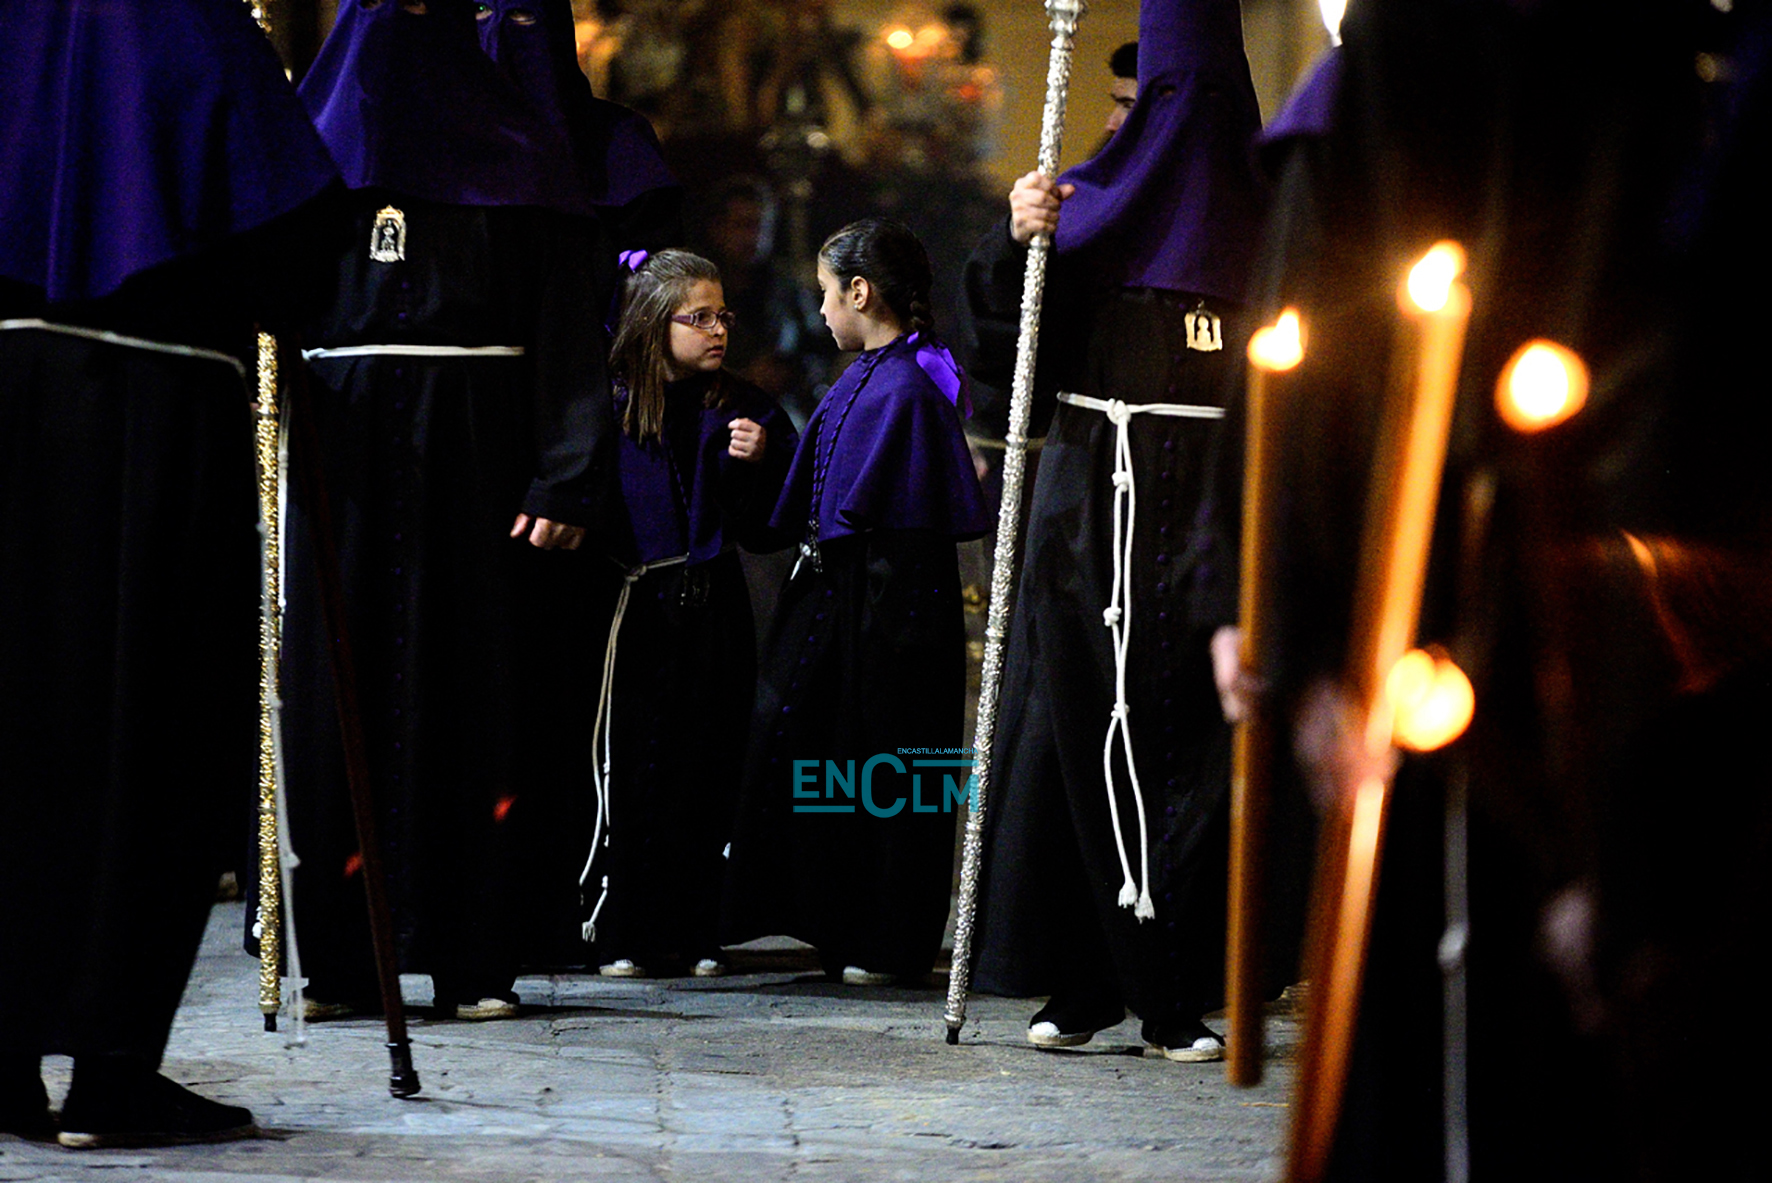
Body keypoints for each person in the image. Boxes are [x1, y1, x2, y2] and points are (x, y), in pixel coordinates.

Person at [0, 0, 340, 1147]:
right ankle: (110, 1071)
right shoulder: (191, 25)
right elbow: (292, 233)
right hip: (149, 421)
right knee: (147, 725)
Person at [283, 0, 614, 1021]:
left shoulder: (520, 173)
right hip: (343, 455)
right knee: (334, 702)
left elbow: (566, 335)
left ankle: (472, 956)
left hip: (475, 460)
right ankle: (338, 961)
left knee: (473, 702)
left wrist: (565, 473)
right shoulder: (312, 172)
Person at [962, 0, 1266, 1060]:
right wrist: (1017, 247)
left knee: (1182, 751)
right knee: (1081, 740)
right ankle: (1083, 983)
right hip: (1092, 507)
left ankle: (1172, 994)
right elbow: (1016, 363)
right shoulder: (1084, 208)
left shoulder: (1271, 208)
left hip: (1209, 524)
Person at [723, 218, 989, 984]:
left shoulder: (906, 385)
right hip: (849, 608)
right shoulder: (870, 374)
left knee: (894, 769)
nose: (822, 312)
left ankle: (886, 937)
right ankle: (841, 924)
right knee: (841, 767)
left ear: (861, 292)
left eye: (827, 295)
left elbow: (894, 521)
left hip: (890, 617)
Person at [584, 249, 796, 979]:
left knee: (710, 767)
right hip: (635, 607)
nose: (717, 331)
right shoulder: (610, 404)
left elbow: (776, 525)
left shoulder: (747, 406)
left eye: (723, 316)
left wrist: (761, 462)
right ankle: (624, 928)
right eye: (698, 317)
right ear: (654, 321)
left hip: (715, 606)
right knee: (636, 769)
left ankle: (700, 927)